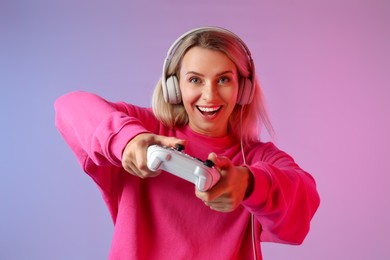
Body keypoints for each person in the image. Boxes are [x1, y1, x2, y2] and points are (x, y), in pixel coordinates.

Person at [55, 26, 320, 259]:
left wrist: (248, 184)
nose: (210, 95)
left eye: (224, 79)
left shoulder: (259, 158)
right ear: (174, 86)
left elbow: (302, 205)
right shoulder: (144, 128)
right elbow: (70, 107)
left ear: (244, 88)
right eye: (195, 79)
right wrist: (128, 141)